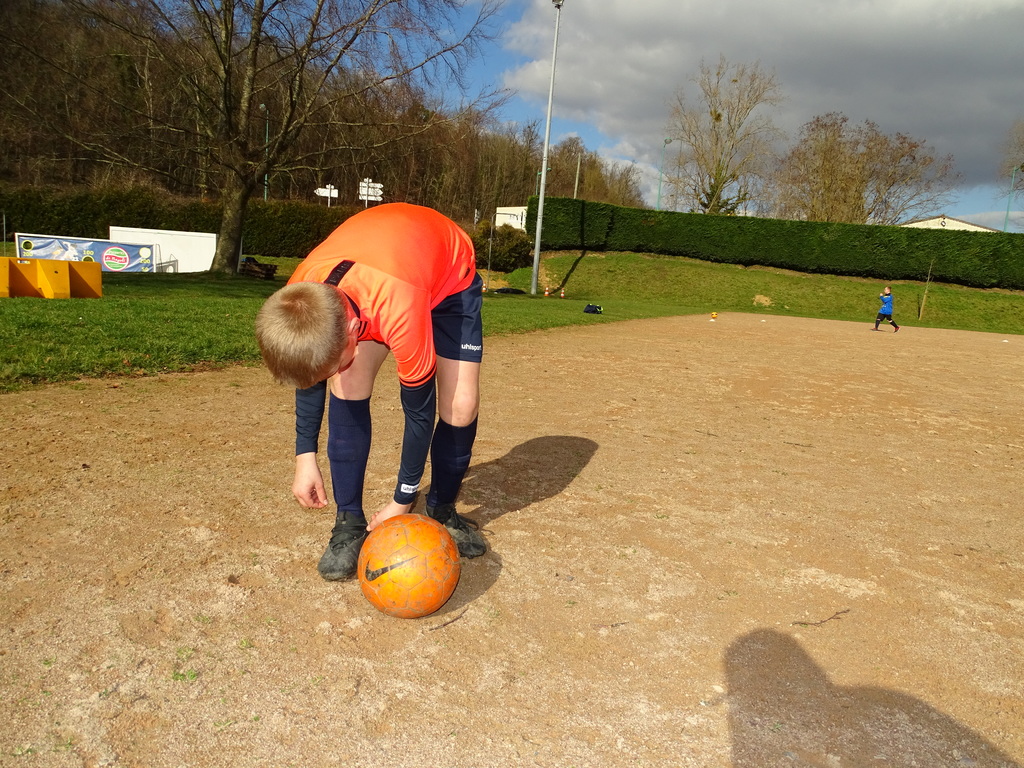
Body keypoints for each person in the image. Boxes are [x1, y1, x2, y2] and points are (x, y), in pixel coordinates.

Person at [255, 203, 486, 581]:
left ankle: (442, 508)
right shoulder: (299, 296)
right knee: (347, 383)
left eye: (334, 362)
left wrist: (402, 499)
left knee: (460, 406)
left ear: (354, 331)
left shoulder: (397, 310)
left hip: (444, 277)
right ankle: (348, 523)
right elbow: (310, 375)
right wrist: (304, 456)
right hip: (379, 271)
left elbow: (418, 414)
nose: (330, 373)